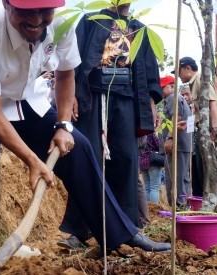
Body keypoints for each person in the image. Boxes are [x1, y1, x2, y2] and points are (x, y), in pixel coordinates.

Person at [0, 1, 170, 274]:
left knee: (80, 149)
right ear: (6, 4)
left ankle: (119, 236)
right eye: (26, 10)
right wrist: (32, 160)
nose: (37, 20)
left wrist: (64, 125)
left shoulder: (62, 24)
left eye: (45, 11)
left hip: (28, 99)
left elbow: (66, 74)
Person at [58, 1, 163, 248]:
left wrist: (151, 103)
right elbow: (72, 62)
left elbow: (149, 71)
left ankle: (126, 230)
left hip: (125, 100)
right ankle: (80, 231)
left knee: (127, 160)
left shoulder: (140, 29)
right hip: (92, 97)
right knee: (88, 158)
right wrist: (71, 94)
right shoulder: (90, 20)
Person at [174, 57, 217, 197]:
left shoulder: (200, 80)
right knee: (201, 168)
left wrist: (215, 130)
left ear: (187, 68)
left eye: (179, 71)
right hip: (203, 127)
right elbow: (201, 113)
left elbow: (213, 105)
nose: (178, 76)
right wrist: (187, 123)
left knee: (212, 167)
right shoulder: (193, 84)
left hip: (212, 128)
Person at [161, 76, 192, 206]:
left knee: (176, 180)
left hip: (177, 146)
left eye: (163, 87)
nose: (160, 90)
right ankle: (183, 206)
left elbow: (176, 118)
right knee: (181, 179)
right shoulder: (175, 99)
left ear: (172, 87)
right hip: (180, 146)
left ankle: (179, 209)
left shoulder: (174, 98)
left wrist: (170, 138)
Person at [139, 133, 164, 204]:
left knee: (146, 187)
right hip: (152, 161)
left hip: (142, 162)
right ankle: (154, 209)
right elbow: (159, 145)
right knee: (154, 187)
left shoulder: (139, 132)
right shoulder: (151, 133)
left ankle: (147, 209)